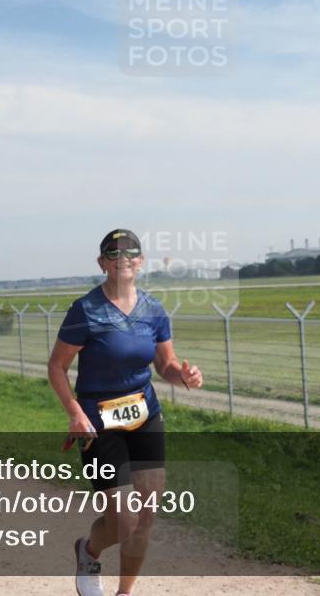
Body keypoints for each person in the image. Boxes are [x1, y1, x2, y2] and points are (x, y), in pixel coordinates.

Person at [48, 229, 203, 596]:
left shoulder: (154, 309)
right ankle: (88, 551)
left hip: (144, 415)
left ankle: (125, 593)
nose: (123, 258)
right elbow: (56, 366)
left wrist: (183, 376)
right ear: (102, 263)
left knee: (146, 514)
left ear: (141, 261)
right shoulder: (84, 310)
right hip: (97, 422)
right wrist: (74, 413)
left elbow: (165, 365)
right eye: (113, 254)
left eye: (131, 252)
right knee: (123, 519)